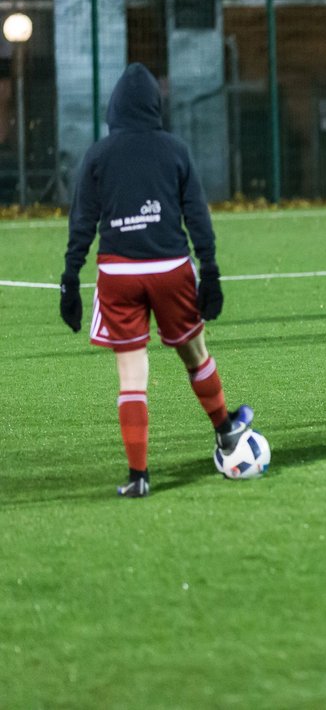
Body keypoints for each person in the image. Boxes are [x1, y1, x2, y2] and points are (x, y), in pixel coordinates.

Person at [59, 63, 254, 498]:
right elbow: (197, 217)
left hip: (119, 275)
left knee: (132, 375)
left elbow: (82, 223)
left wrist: (70, 279)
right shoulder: (175, 150)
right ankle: (225, 430)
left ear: (114, 107)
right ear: (154, 106)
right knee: (194, 352)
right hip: (170, 269)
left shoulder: (98, 154)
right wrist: (211, 272)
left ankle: (139, 476)